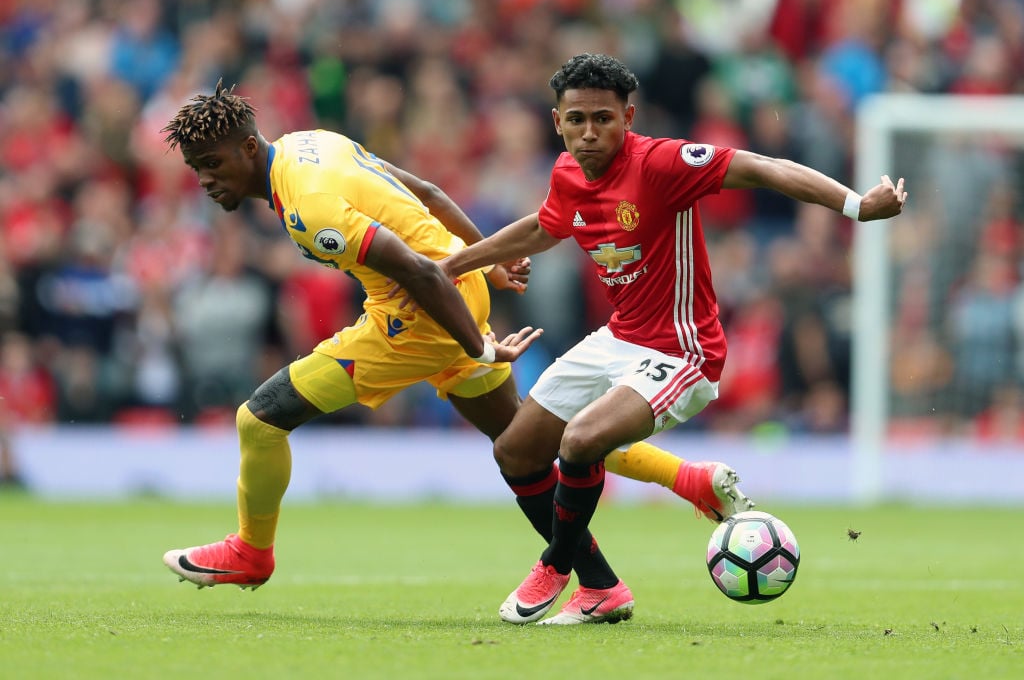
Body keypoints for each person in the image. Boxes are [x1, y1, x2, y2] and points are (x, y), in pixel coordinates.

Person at [158, 82, 742, 590]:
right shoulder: (314, 143)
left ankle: (250, 553)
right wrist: (484, 262)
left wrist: (478, 345)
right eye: (197, 169)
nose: (206, 180)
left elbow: (416, 269)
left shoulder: (307, 206)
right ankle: (680, 488)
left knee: (258, 419)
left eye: (211, 164)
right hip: (451, 297)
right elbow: (429, 197)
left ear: (244, 148)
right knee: (525, 441)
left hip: (419, 317)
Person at [439, 53, 908, 625]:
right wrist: (456, 263)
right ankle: (602, 589)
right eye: (578, 119)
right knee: (514, 449)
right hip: (619, 337)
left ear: (628, 117)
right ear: (557, 121)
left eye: (604, 119)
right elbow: (545, 226)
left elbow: (760, 166)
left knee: (581, 440)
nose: (590, 132)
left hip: (683, 352)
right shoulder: (566, 172)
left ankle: (556, 563)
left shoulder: (663, 164)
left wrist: (856, 206)